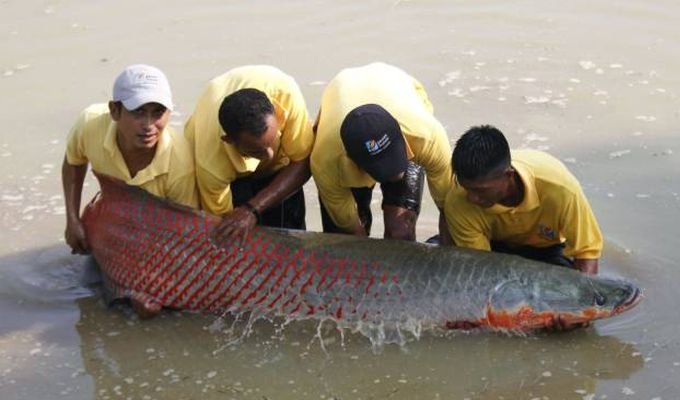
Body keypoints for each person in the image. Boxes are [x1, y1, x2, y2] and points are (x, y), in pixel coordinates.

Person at [62, 63, 198, 316]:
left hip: (156, 233)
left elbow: (182, 240)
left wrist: (143, 286)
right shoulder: (90, 124)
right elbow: (73, 162)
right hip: (112, 217)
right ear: (115, 110)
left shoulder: (180, 162)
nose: (149, 125)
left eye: (158, 113)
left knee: (155, 311)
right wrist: (71, 219)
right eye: (138, 112)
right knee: (85, 293)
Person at [310, 62, 453, 241]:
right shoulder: (326, 163)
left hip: (390, 79)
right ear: (354, 162)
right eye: (382, 168)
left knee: (400, 232)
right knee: (343, 239)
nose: (397, 174)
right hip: (340, 91)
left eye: (395, 158)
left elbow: (449, 207)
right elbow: (352, 231)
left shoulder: (426, 136)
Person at [444, 124, 603, 275]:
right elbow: (483, 268)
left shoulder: (561, 190)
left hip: (546, 250)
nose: (472, 198)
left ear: (508, 176)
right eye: (466, 187)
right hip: (494, 247)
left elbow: (586, 254)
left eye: (481, 191)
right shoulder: (458, 200)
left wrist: (587, 301)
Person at [184, 65, 314, 245]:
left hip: (282, 165)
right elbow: (224, 223)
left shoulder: (286, 96)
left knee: (290, 237)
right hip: (232, 174)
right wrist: (243, 213)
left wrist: (253, 208)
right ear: (228, 140)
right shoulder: (211, 163)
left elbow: (302, 162)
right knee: (237, 235)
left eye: (273, 142)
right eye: (257, 151)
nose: (268, 155)